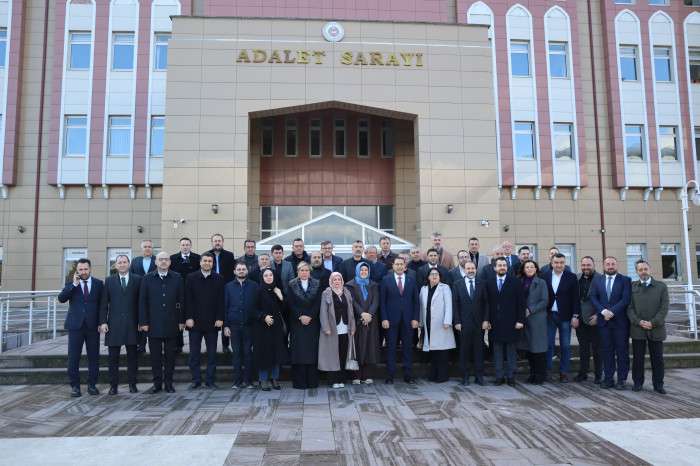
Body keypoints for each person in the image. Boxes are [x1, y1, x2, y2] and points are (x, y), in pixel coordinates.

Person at [139, 252, 184, 394]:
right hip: (153, 324)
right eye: (160, 259)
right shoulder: (147, 278)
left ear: (170, 262)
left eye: (166, 259)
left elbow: (182, 300)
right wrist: (143, 322)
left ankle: (169, 384)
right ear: (156, 262)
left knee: (170, 357)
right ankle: (157, 384)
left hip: (172, 323)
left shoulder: (177, 277)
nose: (163, 262)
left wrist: (181, 320)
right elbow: (142, 302)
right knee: (155, 357)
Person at [59, 258, 104, 397]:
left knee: (94, 357)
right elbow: (61, 298)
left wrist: (102, 322)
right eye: (81, 269)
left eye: (85, 269)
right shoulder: (71, 283)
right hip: (75, 326)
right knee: (73, 357)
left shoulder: (98, 284)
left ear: (90, 269)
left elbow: (102, 305)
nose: (83, 272)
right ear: (77, 270)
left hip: (93, 326)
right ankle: (75, 387)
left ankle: (92, 385)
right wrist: (74, 284)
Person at [99, 255, 141, 395]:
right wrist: (103, 322)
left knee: (132, 358)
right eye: (119, 262)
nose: (122, 264)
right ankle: (113, 386)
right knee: (113, 358)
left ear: (129, 264)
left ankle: (132, 385)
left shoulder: (137, 279)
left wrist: (142, 322)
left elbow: (141, 303)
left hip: (132, 324)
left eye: (124, 262)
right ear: (116, 265)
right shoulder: (109, 281)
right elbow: (104, 303)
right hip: (114, 324)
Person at [481, 257, 525, 386]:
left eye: (504, 265)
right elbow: (486, 303)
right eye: (499, 265)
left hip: (512, 322)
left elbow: (521, 303)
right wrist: (486, 320)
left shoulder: (515, 281)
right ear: (494, 268)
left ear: (507, 267)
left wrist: (520, 320)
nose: (502, 267)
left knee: (511, 350)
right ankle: (499, 376)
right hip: (495, 323)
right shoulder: (488, 282)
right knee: (497, 351)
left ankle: (511, 376)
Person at [589, 256, 632, 390]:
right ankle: (608, 379)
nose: (610, 266)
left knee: (622, 351)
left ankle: (621, 379)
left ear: (616, 265)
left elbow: (626, 299)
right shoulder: (597, 280)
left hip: (620, 322)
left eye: (613, 264)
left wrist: (612, 312)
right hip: (604, 323)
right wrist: (603, 311)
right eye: (608, 264)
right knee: (606, 351)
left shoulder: (625, 280)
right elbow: (593, 297)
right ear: (603, 266)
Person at [628, 259, 669, 394]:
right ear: (636, 272)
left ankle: (658, 385)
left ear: (649, 269)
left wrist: (653, 322)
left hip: (656, 328)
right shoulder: (632, 287)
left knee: (657, 359)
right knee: (638, 359)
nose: (643, 272)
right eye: (640, 270)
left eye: (645, 269)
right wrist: (638, 321)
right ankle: (637, 383)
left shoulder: (661, 287)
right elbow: (629, 308)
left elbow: (664, 308)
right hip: (638, 329)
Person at [185, 252, 225, 390]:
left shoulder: (219, 278)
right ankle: (196, 380)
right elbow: (188, 299)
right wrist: (188, 317)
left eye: (210, 261)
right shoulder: (191, 277)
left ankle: (210, 380)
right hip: (194, 322)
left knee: (212, 354)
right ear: (200, 262)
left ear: (213, 264)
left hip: (213, 322)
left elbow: (221, 300)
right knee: (194, 354)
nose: (207, 263)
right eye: (205, 261)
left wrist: (220, 318)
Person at [380, 256, 420, 384]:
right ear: (393, 266)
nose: (399, 266)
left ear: (405, 266)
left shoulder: (411, 280)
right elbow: (382, 302)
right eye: (397, 264)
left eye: (401, 264)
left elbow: (416, 301)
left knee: (407, 348)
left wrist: (415, 318)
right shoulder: (386, 280)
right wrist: (384, 318)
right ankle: (390, 375)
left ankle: (408, 375)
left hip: (408, 320)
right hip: (391, 320)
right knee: (391, 348)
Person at [543, 253, 579, 382]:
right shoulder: (545, 276)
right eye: (556, 262)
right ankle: (547, 372)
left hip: (565, 316)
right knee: (548, 344)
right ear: (552, 263)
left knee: (565, 345)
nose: (559, 265)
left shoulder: (571, 277)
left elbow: (575, 298)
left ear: (565, 263)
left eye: (561, 262)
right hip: (549, 315)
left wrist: (575, 315)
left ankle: (564, 372)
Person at [223, 261, 259, 389]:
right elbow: (225, 307)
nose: (241, 271)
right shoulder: (228, 286)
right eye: (239, 269)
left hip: (250, 325)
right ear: (234, 271)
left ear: (247, 271)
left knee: (248, 353)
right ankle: (237, 381)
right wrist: (226, 326)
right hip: (234, 326)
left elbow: (257, 305)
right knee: (236, 354)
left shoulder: (254, 286)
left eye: (243, 269)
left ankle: (248, 381)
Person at [319, 272, 357, 389]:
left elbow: (351, 311)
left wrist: (353, 326)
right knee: (332, 355)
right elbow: (323, 311)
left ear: (342, 281)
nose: (337, 281)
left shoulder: (347, 292)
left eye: (339, 279)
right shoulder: (326, 293)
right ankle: (333, 380)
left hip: (345, 328)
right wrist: (326, 327)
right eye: (334, 279)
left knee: (343, 353)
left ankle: (342, 379)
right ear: (331, 281)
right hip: (332, 329)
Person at [287, 262, 322, 389]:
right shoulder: (291, 284)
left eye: (307, 270)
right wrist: (300, 316)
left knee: (312, 352)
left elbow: (318, 302)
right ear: (297, 272)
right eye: (302, 270)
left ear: (310, 272)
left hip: (313, 322)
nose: (304, 272)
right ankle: (300, 382)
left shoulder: (317, 284)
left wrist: (310, 316)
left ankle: (312, 381)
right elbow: (290, 303)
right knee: (299, 352)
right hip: (297, 322)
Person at [346, 262, 380, 384]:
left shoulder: (373, 285)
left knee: (370, 348)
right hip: (357, 321)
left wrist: (369, 314)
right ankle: (356, 376)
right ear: (357, 271)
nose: (364, 272)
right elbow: (352, 301)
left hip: (371, 321)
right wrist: (362, 314)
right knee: (357, 347)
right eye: (361, 270)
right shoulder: (350, 285)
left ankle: (367, 375)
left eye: (366, 270)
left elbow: (376, 301)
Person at [419, 268, 455, 383]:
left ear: (440, 277)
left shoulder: (445, 288)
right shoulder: (424, 289)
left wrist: (447, 321)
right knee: (433, 350)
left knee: (442, 351)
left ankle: (442, 376)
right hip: (428, 323)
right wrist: (421, 322)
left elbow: (449, 305)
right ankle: (433, 375)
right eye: (432, 274)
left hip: (442, 324)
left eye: (437, 274)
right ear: (428, 277)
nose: (434, 276)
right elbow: (421, 307)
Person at [453, 261, 485, 386]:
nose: (471, 270)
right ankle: (464, 376)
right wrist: (457, 321)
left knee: (479, 350)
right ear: (464, 270)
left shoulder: (482, 283)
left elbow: (486, 303)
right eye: (468, 268)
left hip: (479, 323)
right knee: (464, 350)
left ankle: (479, 376)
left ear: (476, 269)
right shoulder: (457, 284)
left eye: (473, 268)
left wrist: (486, 320)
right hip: (463, 323)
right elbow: (455, 304)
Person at [255, 268, 288, 391]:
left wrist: (281, 296)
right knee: (264, 353)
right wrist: (264, 317)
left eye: (270, 275)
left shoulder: (277, 290)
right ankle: (263, 379)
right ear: (262, 278)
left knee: (276, 352)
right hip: (262, 328)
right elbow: (253, 309)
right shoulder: (258, 291)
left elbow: (285, 309)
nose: (269, 277)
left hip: (276, 327)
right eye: (266, 275)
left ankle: (274, 378)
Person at [517, 260, 548, 385]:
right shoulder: (520, 282)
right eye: (527, 267)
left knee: (538, 349)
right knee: (529, 348)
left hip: (537, 319)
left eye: (532, 267)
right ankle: (532, 374)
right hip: (524, 319)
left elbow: (544, 300)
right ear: (523, 269)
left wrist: (530, 309)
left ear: (536, 269)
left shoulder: (541, 282)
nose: (529, 269)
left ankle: (540, 375)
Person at [574, 256, 602, 384]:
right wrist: (574, 316)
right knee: (583, 349)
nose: (586, 267)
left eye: (588, 265)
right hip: (580, 320)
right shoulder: (576, 278)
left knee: (597, 349)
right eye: (583, 265)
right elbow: (574, 299)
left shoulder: (601, 278)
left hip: (595, 319)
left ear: (593, 265)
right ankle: (583, 373)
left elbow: (605, 299)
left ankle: (598, 375)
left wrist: (598, 316)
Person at [170, 237, 201, 353]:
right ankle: (179, 345)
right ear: (180, 246)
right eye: (183, 245)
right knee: (178, 318)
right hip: (177, 292)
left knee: (192, 316)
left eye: (187, 244)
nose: (185, 247)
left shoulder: (197, 258)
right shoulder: (173, 258)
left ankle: (194, 345)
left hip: (193, 292)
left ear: (190, 246)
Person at [208, 233, 235, 353]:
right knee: (211, 316)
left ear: (222, 242)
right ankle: (210, 345)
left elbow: (232, 274)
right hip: (211, 290)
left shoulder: (229, 255)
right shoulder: (207, 255)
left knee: (225, 316)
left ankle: (225, 344)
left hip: (226, 289)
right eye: (215, 241)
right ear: (212, 242)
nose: (217, 243)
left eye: (219, 241)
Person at [130, 239, 156, 353]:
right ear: (142, 249)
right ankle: (141, 345)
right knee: (141, 319)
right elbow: (130, 276)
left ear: (152, 248)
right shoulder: (135, 261)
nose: (147, 248)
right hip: (138, 294)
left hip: (154, 294)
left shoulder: (158, 260)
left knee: (153, 320)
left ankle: (154, 346)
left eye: (149, 246)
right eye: (145, 246)